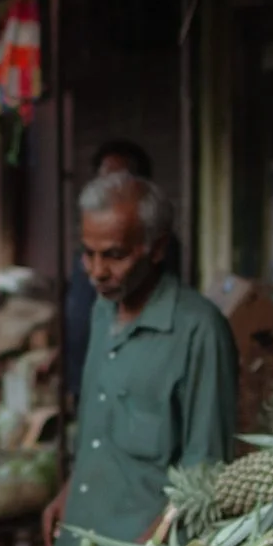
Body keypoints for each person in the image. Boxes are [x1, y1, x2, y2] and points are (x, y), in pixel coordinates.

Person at [42, 170, 236, 546]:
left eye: (113, 255)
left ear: (157, 247)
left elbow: (206, 470)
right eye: (88, 254)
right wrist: (72, 490)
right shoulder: (101, 311)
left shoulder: (199, 331)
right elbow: (101, 429)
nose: (97, 272)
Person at [63, 140, 154, 390]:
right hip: (85, 379)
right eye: (103, 181)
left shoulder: (152, 250)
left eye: (114, 254)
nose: (98, 271)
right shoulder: (89, 249)